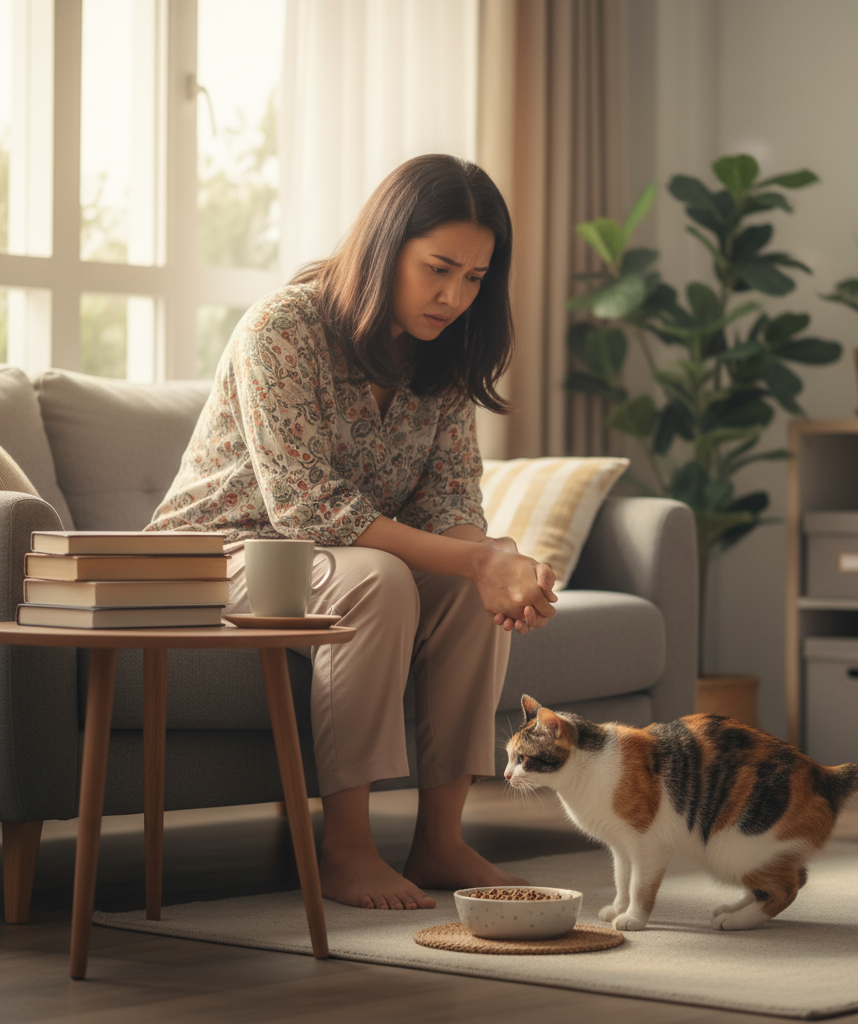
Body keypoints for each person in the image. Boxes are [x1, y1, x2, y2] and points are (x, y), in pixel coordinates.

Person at [148, 154, 557, 911]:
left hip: (331, 562)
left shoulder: (442, 355)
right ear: (385, 245)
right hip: (219, 559)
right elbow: (309, 511)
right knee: (380, 577)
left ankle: (439, 839)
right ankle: (346, 848)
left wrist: (494, 564)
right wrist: (480, 557)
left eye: (474, 278)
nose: (453, 296)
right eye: (438, 267)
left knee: (466, 591)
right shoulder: (283, 326)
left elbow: (451, 496)